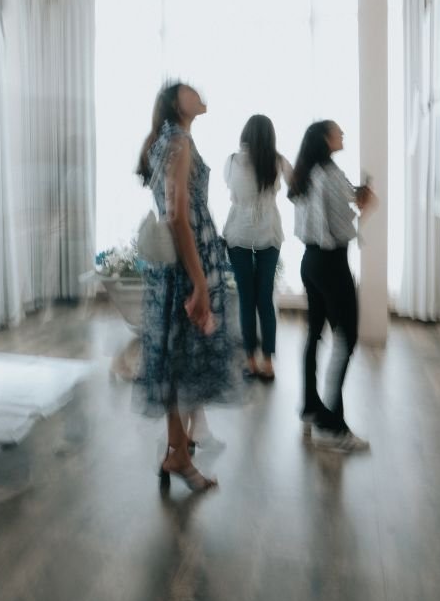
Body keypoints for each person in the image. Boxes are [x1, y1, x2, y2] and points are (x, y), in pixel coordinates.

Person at [136, 82, 232, 493]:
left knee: (178, 361)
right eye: (192, 91)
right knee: (183, 364)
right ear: (177, 103)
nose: (201, 94)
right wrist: (199, 282)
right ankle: (178, 452)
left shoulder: (166, 141)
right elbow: (178, 215)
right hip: (187, 264)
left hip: (176, 264)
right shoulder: (179, 142)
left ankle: (179, 449)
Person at [289, 120, 375, 452]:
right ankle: (332, 425)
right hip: (331, 264)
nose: (343, 135)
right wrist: (365, 209)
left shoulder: (307, 173)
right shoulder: (330, 174)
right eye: (338, 132)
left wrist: (354, 200)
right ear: (326, 139)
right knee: (346, 338)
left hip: (310, 262)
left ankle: (311, 409)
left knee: (314, 334)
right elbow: (342, 227)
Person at [223, 115, 292, 382]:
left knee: (246, 299)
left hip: (238, 233)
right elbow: (297, 186)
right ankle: (268, 364)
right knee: (265, 299)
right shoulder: (277, 161)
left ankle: (251, 362)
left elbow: (232, 192)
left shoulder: (232, 161)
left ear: (245, 134)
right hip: (269, 233)